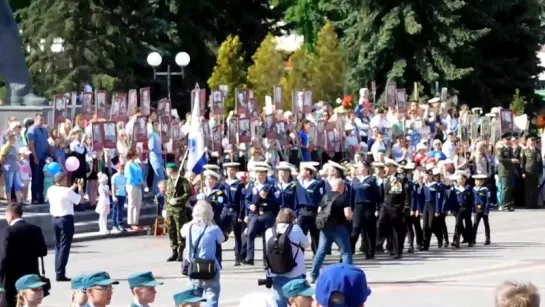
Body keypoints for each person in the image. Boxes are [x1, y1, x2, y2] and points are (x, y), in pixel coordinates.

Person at [0, 203, 47, 307]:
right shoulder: (35, 229)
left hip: (11, 278)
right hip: (31, 275)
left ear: (11, 215)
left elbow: (3, 257)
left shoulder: (7, 231)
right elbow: (43, 251)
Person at [180, 201, 223, 307]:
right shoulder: (213, 228)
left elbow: (182, 234)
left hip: (194, 267)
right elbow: (221, 239)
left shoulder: (188, 227)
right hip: (210, 268)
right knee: (212, 298)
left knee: (193, 300)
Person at [310, 178, 353, 283]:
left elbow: (319, 211)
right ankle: (348, 275)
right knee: (346, 252)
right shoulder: (343, 198)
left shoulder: (325, 196)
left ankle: (314, 275)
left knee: (320, 252)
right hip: (339, 227)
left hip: (325, 228)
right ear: (341, 187)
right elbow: (348, 215)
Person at [265, 209, 310, 307]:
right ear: (292, 218)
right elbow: (306, 244)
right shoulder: (296, 229)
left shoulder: (269, 231)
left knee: (280, 302)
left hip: (275, 272)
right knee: (298, 303)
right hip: (295, 273)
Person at [47, 173, 84, 281]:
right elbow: (80, 200)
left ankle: (58, 270)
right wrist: (80, 188)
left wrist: (74, 186)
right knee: (64, 246)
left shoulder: (51, 189)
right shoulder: (66, 191)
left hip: (55, 219)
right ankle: (60, 273)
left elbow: (65, 193)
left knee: (58, 246)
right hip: (65, 219)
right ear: (62, 180)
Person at [165, 163, 191, 262]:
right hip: (169, 210)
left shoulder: (182, 181)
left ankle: (180, 252)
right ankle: (174, 251)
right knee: (171, 231)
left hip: (179, 211)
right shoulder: (168, 181)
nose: (166, 171)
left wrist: (178, 200)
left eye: (167, 169)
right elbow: (167, 196)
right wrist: (165, 208)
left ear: (172, 170)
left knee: (179, 231)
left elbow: (188, 193)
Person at [26, 113, 49, 204]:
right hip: (36, 157)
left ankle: (40, 196)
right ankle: (35, 197)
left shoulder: (44, 130)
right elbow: (31, 144)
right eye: (40, 119)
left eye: (43, 119)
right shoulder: (32, 130)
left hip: (44, 157)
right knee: (36, 178)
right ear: (35, 119)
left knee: (41, 177)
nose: (42, 121)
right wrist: (35, 156)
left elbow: (46, 143)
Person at [496, 132, 517, 211]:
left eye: (509, 139)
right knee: (505, 188)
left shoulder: (510, 148)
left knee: (509, 188)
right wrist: (511, 160)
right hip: (504, 171)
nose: (508, 141)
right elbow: (500, 159)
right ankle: (504, 204)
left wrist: (514, 160)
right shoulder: (500, 148)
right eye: (507, 139)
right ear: (503, 140)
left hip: (510, 170)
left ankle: (508, 204)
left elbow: (511, 157)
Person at [125, 148, 145, 230]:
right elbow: (129, 176)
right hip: (132, 185)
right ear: (131, 155)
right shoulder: (128, 164)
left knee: (138, 204)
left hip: (138, 186)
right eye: (136, 154)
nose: (137, 156)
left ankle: (136, 222)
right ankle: (131, 223)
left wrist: (142, 181)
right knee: (132, 204)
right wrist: (137, 182)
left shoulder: (136, 163)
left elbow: (140, 174)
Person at [521, 135, 542, 209]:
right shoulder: (525, 150)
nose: (533, 142)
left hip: (536, 172)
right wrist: (523, 172)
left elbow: (540, 163)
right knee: (528, 189)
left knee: (535, 189)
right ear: (528, 142)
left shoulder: (538, 150)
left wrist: (540, 173)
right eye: (531, 141)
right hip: (528, 172)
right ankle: (529, 204)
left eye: (534, 141)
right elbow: (522, 162)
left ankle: (535, 204)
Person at [472, 174, 491, 245]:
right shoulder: (473, 189)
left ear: (483, 181)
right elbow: (473, 200)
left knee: (486, 224)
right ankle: (473, 239)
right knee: (475, 224)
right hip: (477, 209)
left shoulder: (485, 189)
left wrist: (487, 210)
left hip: (484, 208)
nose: (478, 182)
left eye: (480, 180)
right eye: (476, 180)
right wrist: (473, 209)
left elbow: (488, 200)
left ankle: (487, 239)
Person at [111, 162, 127, 232]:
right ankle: (114, 225)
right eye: (120, 168)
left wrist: (126, 195)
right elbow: (113, 186)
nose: (121, 170)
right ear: (117, 169)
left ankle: (120, 224)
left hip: (122, 194)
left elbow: (125, 186)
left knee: (120, 210)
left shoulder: (124, 177)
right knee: (115, 210)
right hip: (117, 194)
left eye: (122, 169)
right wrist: (114, 196)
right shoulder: (115, 176)